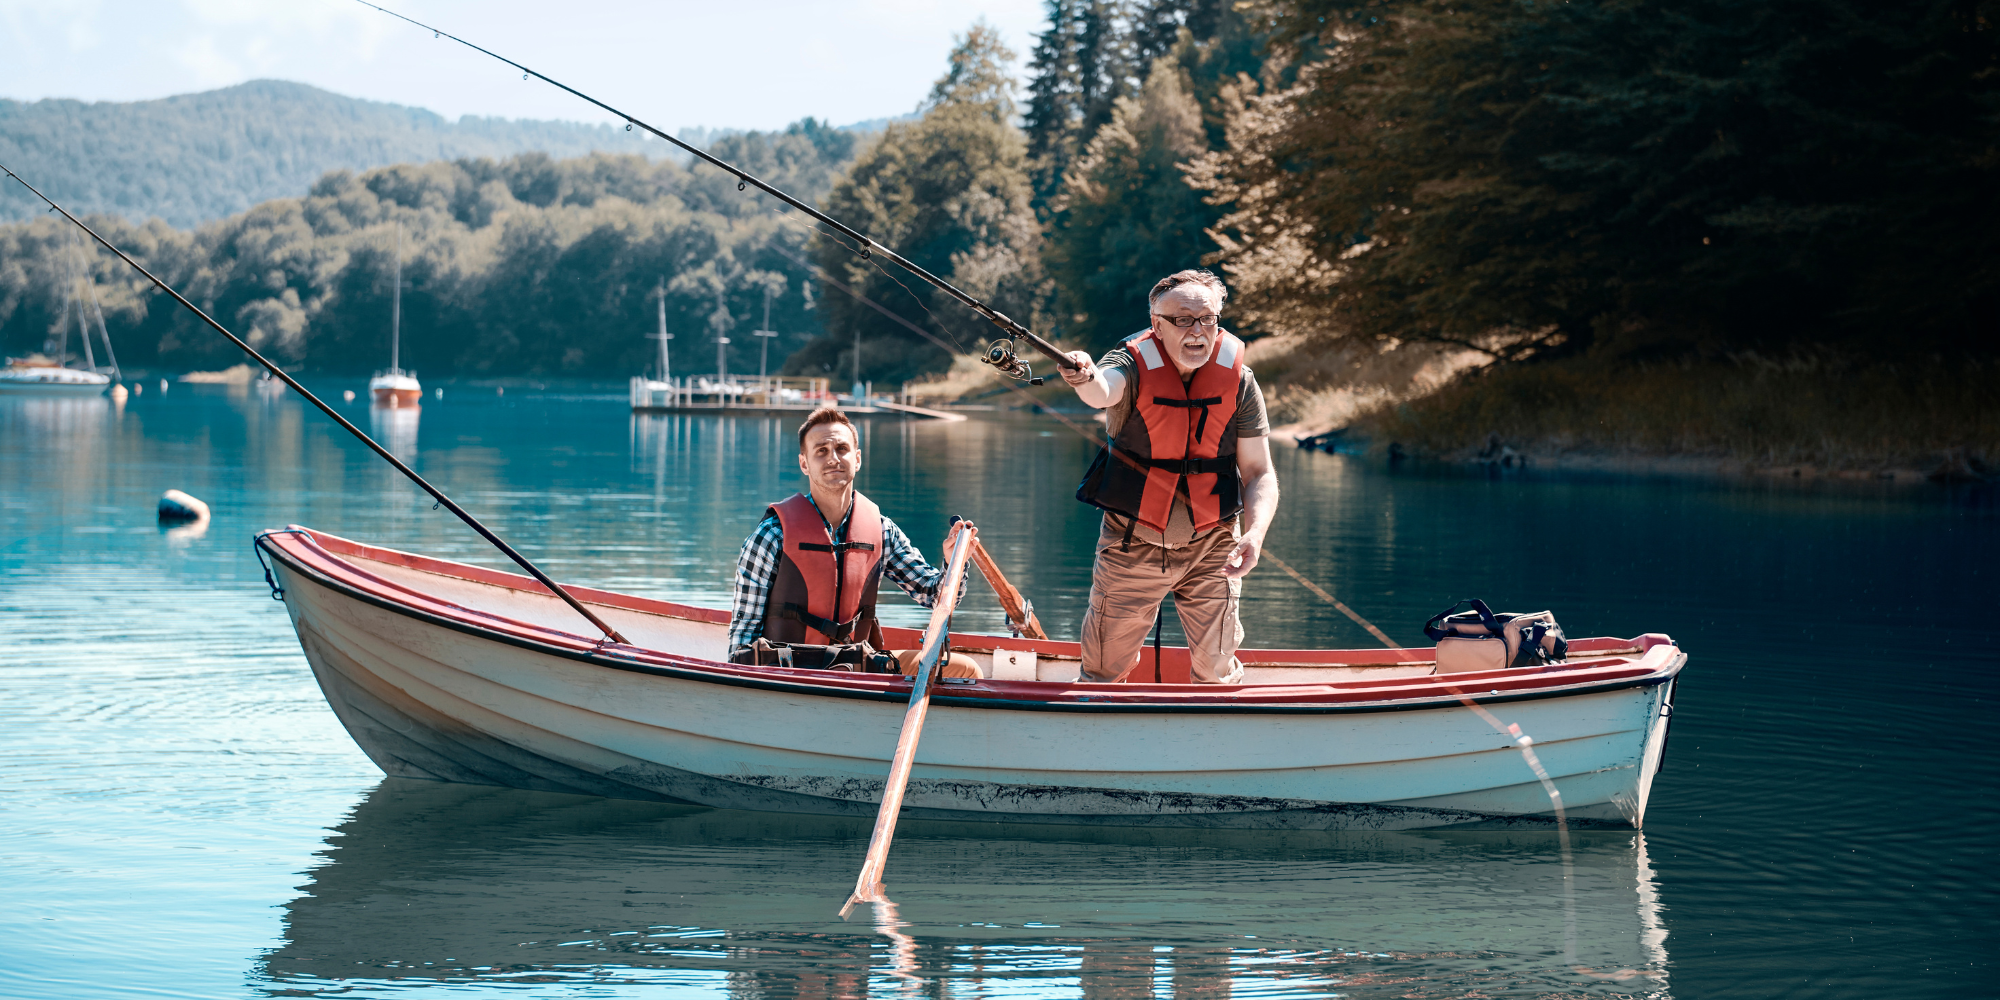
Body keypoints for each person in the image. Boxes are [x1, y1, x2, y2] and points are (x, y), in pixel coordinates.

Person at [1060, 269, 1279, 684]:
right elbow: (1102, 391)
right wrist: (1084, 375)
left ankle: (1210, 741)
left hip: (1214, 545)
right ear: (1157, 326)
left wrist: (1256, 532)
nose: (1197, 330)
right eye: (1182, 319)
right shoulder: (1129, 363)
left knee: (1216, 668)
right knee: (1104, 669)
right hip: (1131, 542)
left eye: (1208, 319)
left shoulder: (1240, 382)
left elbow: (1258, 471)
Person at [726, 407, 976, 677]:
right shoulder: (772, 535)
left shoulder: (881, 530)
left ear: (857, 459)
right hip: (789, 673)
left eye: (842, 449)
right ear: (804, 464)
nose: (833, 458)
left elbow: (934, 596)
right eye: (821, 451)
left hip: (859, 669)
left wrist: (954, 563)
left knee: (966, 671)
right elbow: (743, 636)